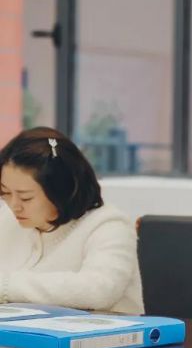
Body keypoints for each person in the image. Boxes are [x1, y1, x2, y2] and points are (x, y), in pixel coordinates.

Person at [0, 127, 144, 314]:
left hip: (99, 330)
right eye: (5, 193)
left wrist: (6, 286)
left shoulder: (108, 225)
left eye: (26, 197)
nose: (14, 205)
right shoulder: (7, 218)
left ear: (61, 190)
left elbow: (99, 290)